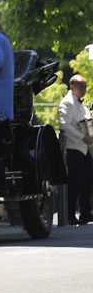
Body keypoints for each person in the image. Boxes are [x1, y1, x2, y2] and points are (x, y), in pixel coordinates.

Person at [58, 75, 93, 225]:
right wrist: (82, 137)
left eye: (85, 86)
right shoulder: (67, 102)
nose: (84, 89)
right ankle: (70, 215)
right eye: (81, 86)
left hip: (84, 148)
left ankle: (85, 212)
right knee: (74, 183)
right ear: (72, 87)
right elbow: (64, 126)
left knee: (87, 180)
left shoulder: (81, 104)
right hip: (73, 148)